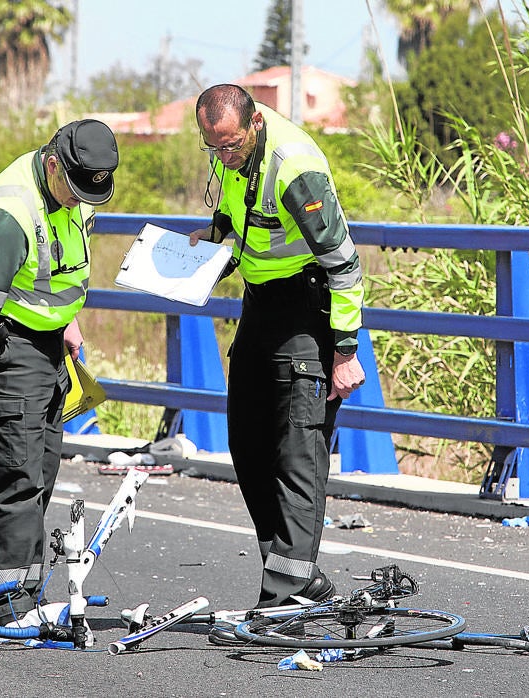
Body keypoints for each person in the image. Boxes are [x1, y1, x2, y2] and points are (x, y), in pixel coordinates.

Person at [190, 84, 366, 611]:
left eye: (232, 145)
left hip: (307, 312)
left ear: (255, 125)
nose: (224, 155)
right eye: (213, 146)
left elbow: (345, 265)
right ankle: (299, 576)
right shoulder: (227, 150)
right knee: (246, 442)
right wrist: (214, 230)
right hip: (260, 305)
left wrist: (345, 352)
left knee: (298, 452)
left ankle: (283, 598)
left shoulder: (296, 167)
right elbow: (238, 211)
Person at [0, 119, 119, 634]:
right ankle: (6, 607)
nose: (81, 200)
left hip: (48, 347)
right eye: (77, 189)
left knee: (41, 472)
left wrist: (66, 319)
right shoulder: (11, 215)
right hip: (10, 347)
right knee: (17, 480)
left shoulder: (75, 190)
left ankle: (26, 594)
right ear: (51, 165)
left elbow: (58, 268)